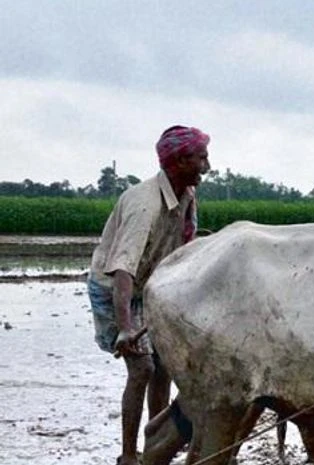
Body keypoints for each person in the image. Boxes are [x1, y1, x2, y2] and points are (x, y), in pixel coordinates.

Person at [87, 125, 211, 465]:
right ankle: (128, 454)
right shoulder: (145, 204)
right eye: (201, 158)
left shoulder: (185, 194)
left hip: (151, 286)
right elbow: (122, 270)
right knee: (141, 368)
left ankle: (159, 443)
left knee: (164, 367)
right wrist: (126, 328)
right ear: (180, 161)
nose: (207, 166)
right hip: (117, 289)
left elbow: (180, 246)